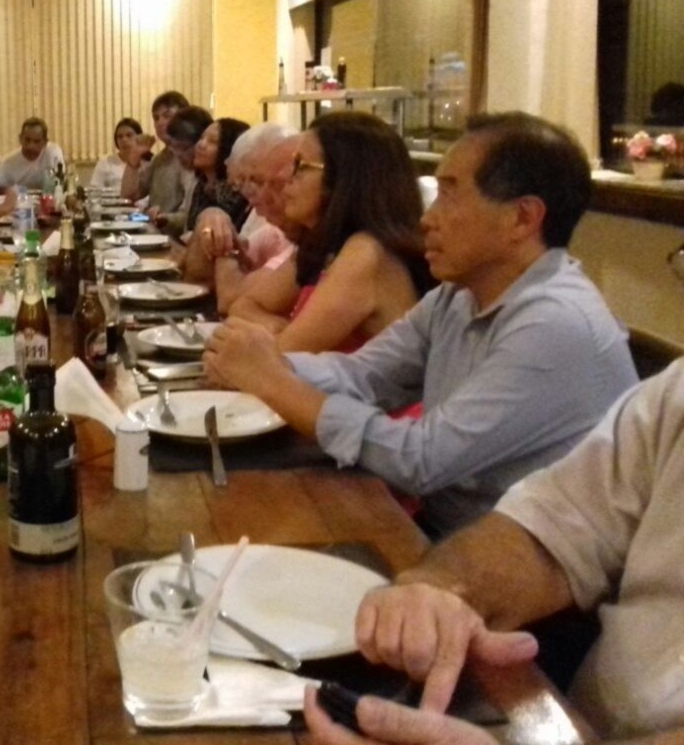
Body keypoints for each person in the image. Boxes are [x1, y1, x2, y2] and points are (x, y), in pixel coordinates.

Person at [206, 112, 637, 537]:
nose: (428, 218)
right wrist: (264, 361)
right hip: (443, 533)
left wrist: (274, 381)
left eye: (449, 195)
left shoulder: (554, 323)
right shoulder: (458, 297)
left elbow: (421, 460)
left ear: (522, 218)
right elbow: (363, 375)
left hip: (520, 563)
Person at [306, 356, 684, 745]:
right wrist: (441, 589)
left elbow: (418, 458)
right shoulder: (676, 393)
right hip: (565, 722)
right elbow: (552, 529)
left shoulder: (551, 329)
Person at [226, 113, 432, 351]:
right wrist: (279, 328)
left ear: (345, 178)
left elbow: (282, 357)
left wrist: (278, 335)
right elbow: (242, 307)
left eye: (300, 165)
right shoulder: (322, 245)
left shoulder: (366, 252)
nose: (283, 176)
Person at [182, 125, 299, 313]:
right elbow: (198, 277)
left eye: (259, 181)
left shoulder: (314, 243)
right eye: (243, 181)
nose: (253, 193)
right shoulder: (273, 229)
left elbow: (228, 301)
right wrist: (211, 215)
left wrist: (224, 246)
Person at [122, 90, 192, 208]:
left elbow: (190, 211)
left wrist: (164, 217)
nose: (160, 122)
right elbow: (128, 196)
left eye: (167, 116)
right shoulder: (159, 159)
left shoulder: (191, 157)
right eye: (156, 118)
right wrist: (134, 156)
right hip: (153, 220)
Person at [150, 105, 210, 237]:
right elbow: (186, 216)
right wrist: (165, 219)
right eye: (174, 148)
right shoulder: (198, 178)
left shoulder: (217, 186)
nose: (178, 155)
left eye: (183, 148)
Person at [184, 117, 252, 233]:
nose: (201, 144)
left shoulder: (238, 194)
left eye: (212, 141)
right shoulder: (201, 186)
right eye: (202, 138)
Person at [0, 117, 66, 191]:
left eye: (37, 141)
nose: (31, 146)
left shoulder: (53, 154)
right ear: (20, 139)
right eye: (27, 140)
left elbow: (60, 185)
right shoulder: (7, 164)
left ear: (45, 142)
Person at [89, 118, 151, 191]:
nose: (124, 140)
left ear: (139, 137)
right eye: (120, 137)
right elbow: (94, 191)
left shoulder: (148, 162)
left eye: (129, 135)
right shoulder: (105, 163)